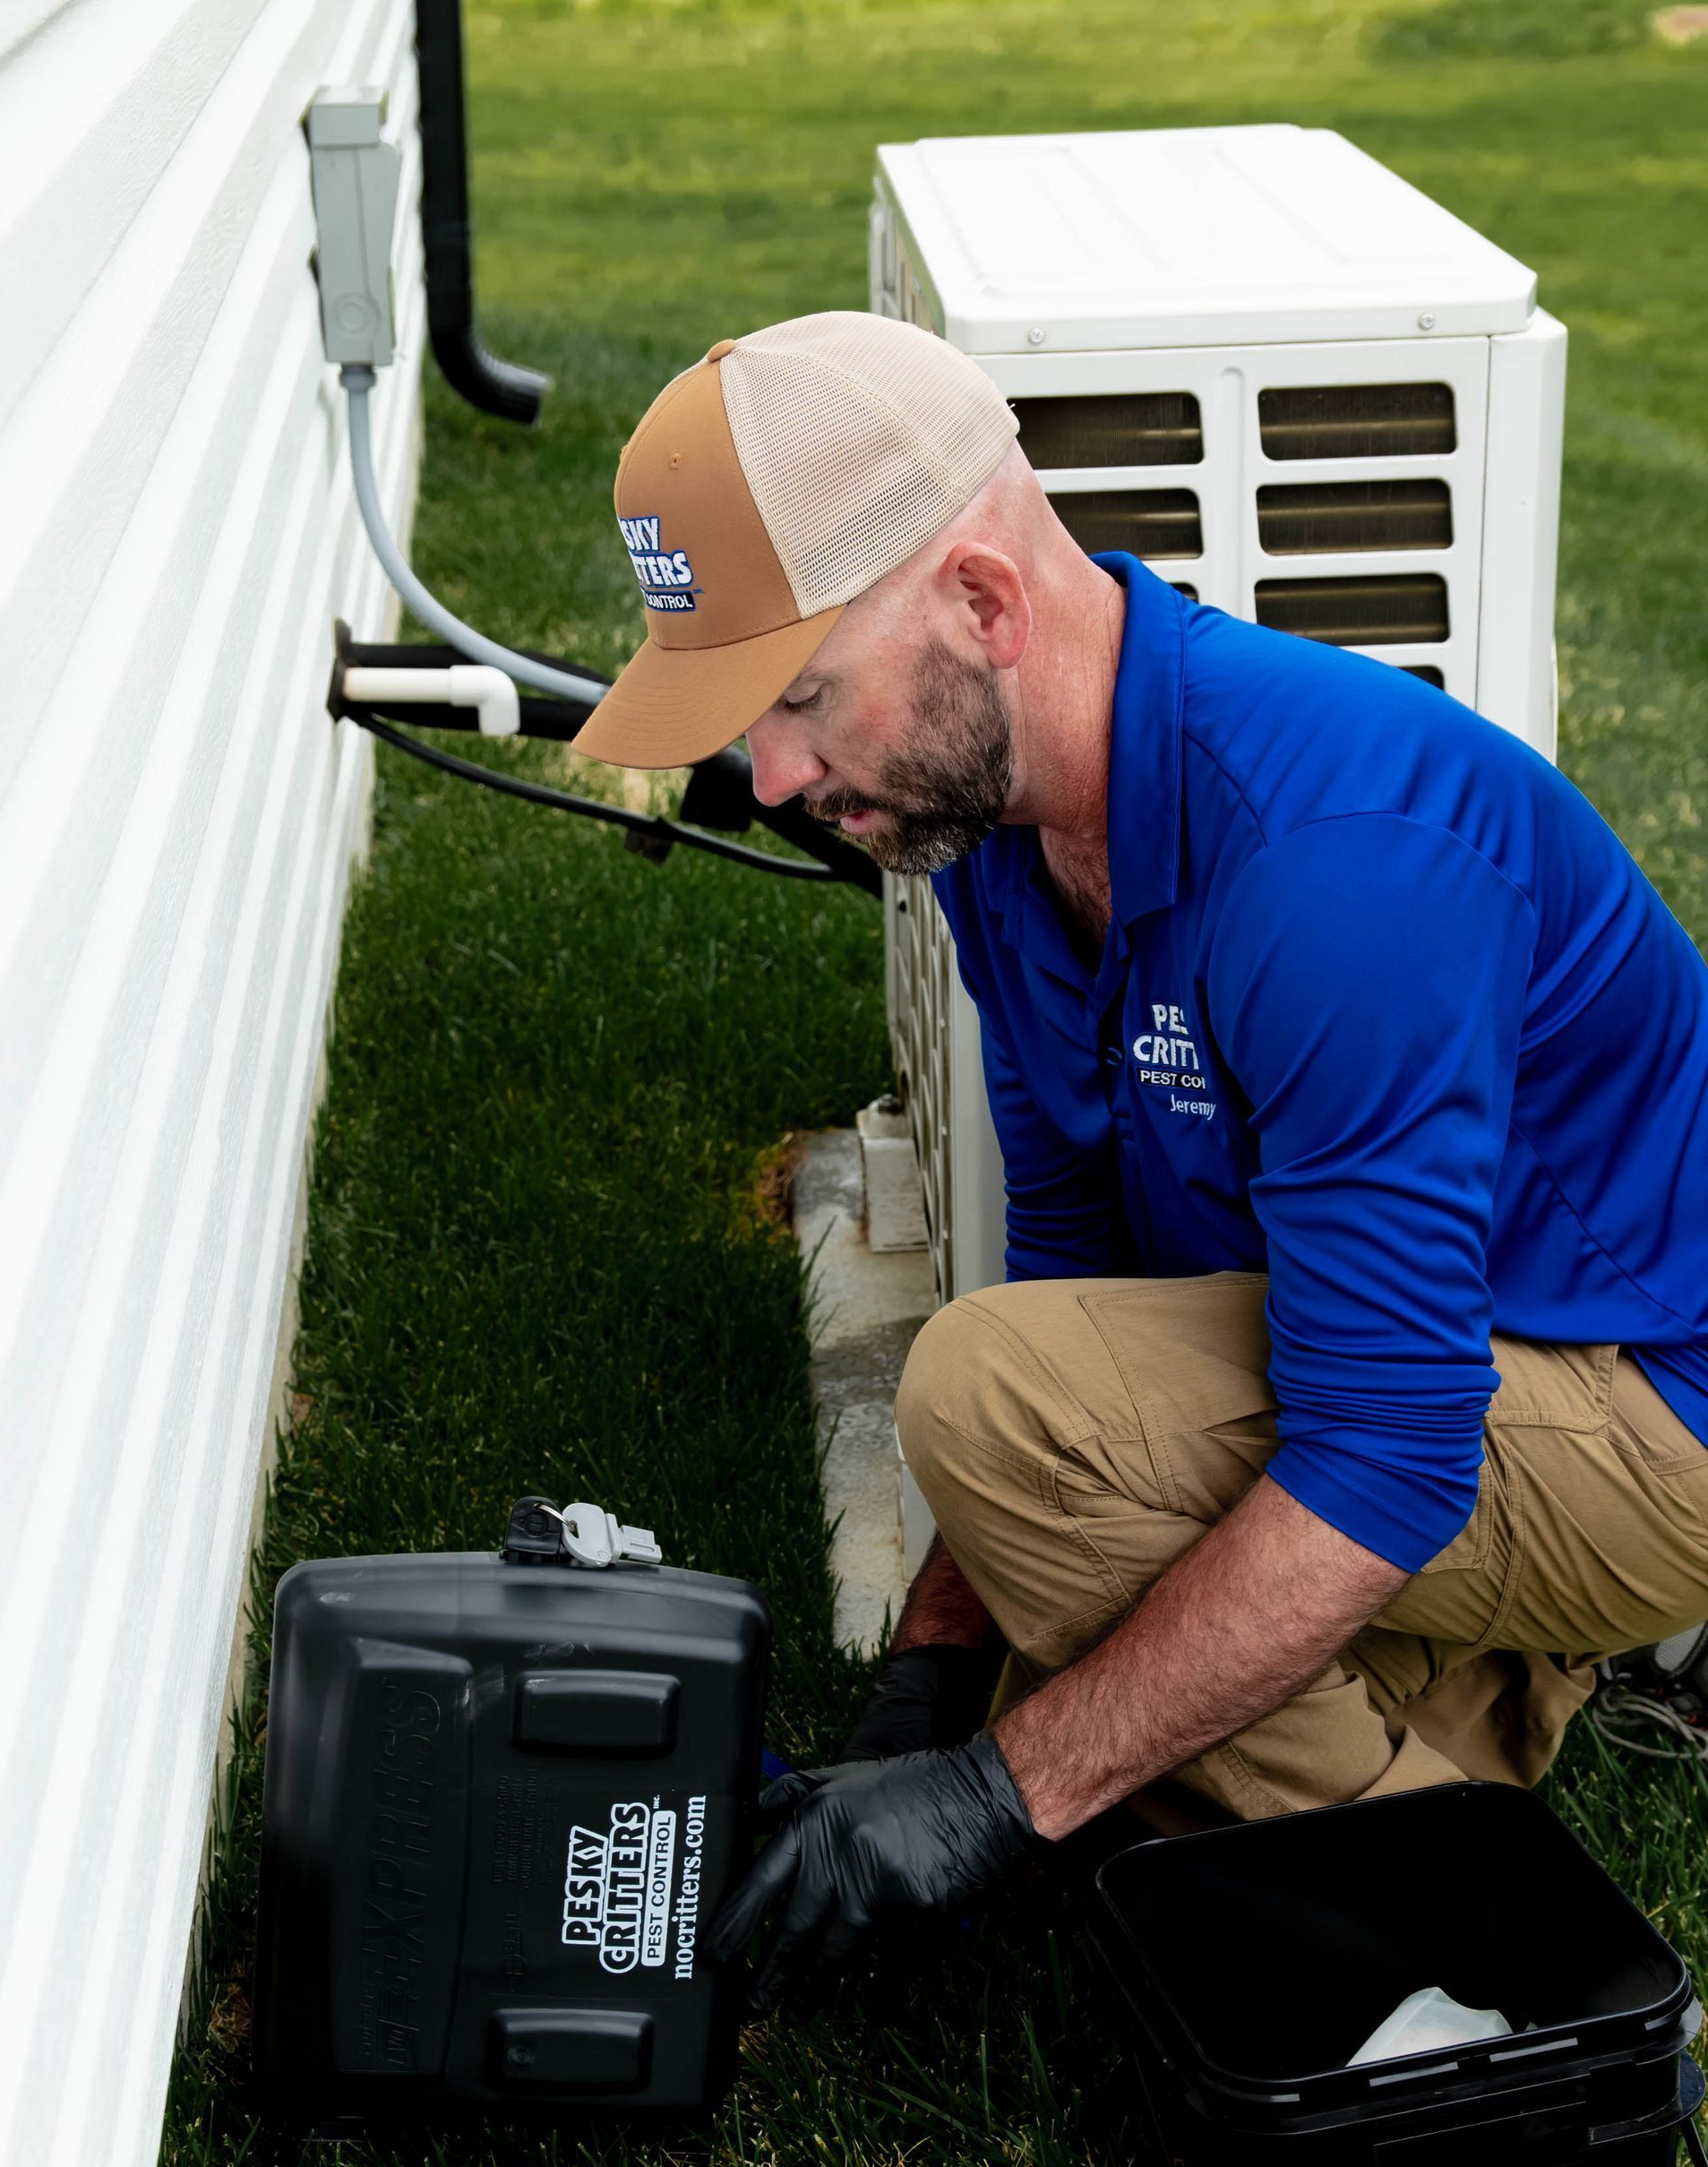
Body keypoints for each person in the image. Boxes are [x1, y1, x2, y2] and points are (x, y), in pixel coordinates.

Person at [573, 312, 1708, 2009]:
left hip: (1643, 1406)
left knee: (986, 1412)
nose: (777, 776)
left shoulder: (1335, 864)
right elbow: (1090, 1283)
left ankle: (1500, 1991)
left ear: (983, 601)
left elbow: (1387, 1454)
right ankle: (1444, 1711)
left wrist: (1000, 1798)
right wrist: (945, 1668)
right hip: (1450, 1363)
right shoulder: (996, 842)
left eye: (801, 697)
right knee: (1052, 1525)